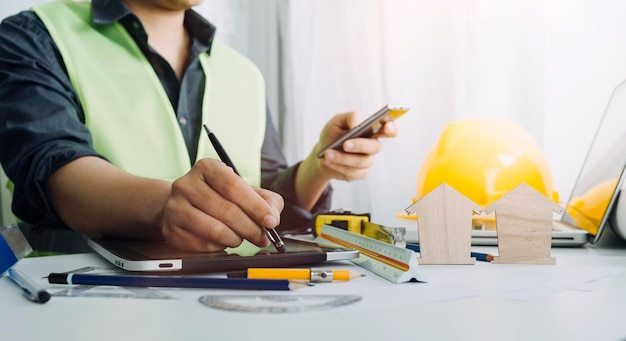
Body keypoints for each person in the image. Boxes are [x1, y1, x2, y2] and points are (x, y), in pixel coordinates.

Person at [0, 0, 397, 253]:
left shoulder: (243, 72)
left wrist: (319, 166)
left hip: (233, 302)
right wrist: (165, 208)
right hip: (84, 306)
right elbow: (49, 169)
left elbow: (266, 199)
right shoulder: (31, 37)